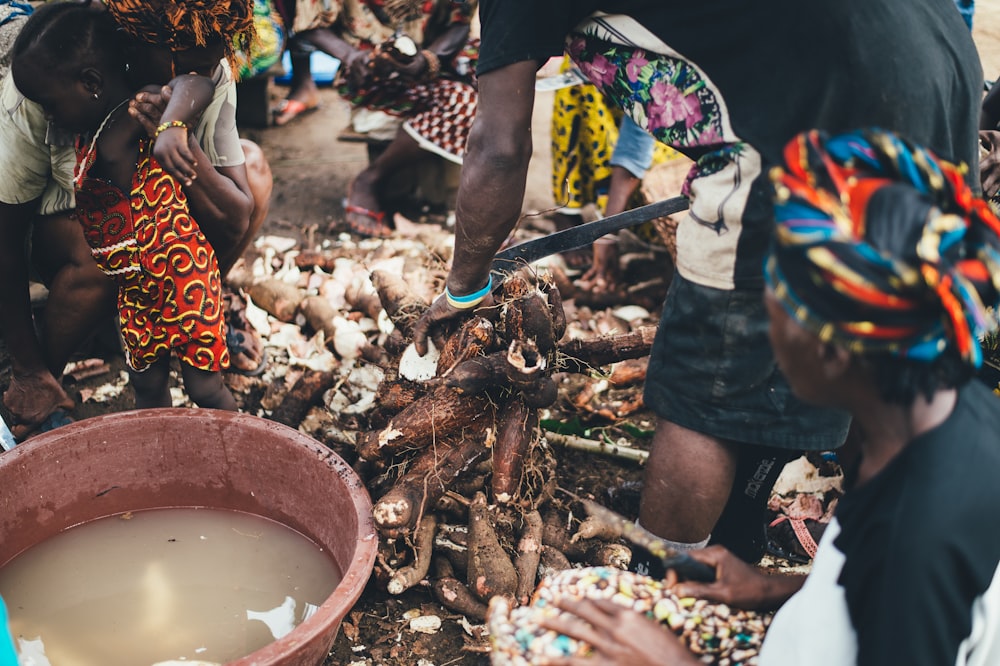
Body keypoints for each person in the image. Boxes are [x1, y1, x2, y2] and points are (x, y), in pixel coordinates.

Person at [411, 0, 982, 568]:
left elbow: (499, 147)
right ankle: (843, 561)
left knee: (704, 383)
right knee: (877, 338)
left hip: (806, 113)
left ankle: (661, 589)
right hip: (940, 63)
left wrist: (463, 288)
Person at [488, 128, 1000, 666]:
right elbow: (873, 600)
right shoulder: (951, 418)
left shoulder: (917, 536)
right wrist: (772, 588)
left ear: (835, 349)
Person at [0, 0, 269, 437]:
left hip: (180, 269)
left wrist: (174, 133)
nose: (215, 67)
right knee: (145, 382)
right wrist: (29, 369)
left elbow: (236, 211)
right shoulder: (46, 78)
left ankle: (239, 451)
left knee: (204, 385)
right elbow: (6, 240)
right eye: (198, 63)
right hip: (111, 267)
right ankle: (58, 384)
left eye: (214, 61)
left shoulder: (193, 69)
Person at [272, 0, 479, 237]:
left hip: (438, 58)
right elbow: (309, 23)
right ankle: (369, 180)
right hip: (368, 67)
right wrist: (350, 56)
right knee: (462, 103)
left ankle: (469, 194)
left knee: (484, 89)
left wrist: (428, 59)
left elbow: (460, 23)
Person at [548, 52, 678, 289]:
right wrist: (607, 232)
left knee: (659, 191)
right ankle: (567, 214)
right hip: (607, 93)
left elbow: (636, 147)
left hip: (657, 119)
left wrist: (607, 232)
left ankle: (609, 223)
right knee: (581, 73)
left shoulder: (661, 64)